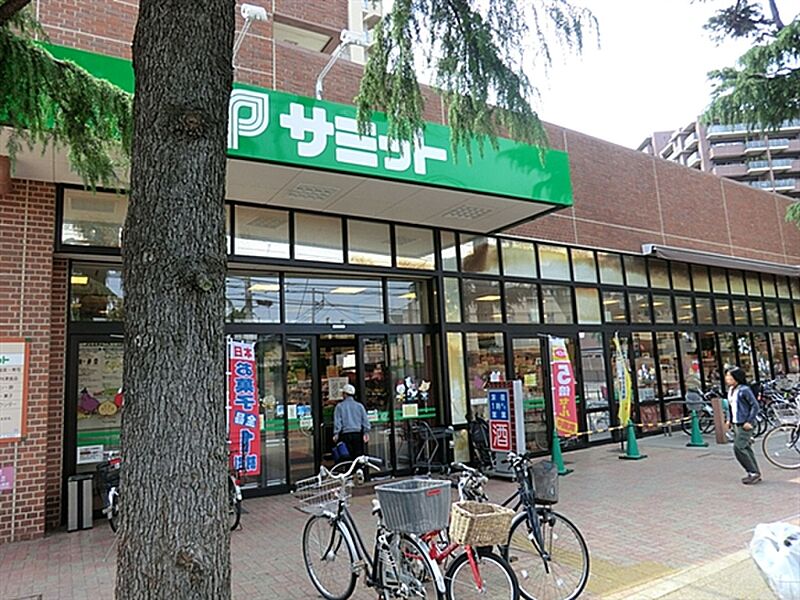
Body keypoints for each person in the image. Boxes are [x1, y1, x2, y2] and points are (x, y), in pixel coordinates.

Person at [725, 367, 762, 485]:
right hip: (736, 423)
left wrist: (749, 421)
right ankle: (754, 472)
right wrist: (729, 419)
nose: (727, 378)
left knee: (739, 447)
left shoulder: (744, 390)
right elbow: (730, 406)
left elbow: (755, 405)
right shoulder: (731, 390)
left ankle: (753, 472)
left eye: (730, 376)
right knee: (746, 447)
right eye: (727, 376)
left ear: (737, 378)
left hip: (745, 423)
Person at [333, 383, 370, 460]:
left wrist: (336, 433)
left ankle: (349, 467)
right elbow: (365, 420)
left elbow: (338, 422)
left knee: (347, 457)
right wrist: (366, 432)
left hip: (345, 434)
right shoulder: (359, 406)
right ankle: (358, 467)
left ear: (345, 394)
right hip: (358, 434)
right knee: (358, 457)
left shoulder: (339, 406)